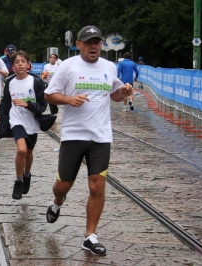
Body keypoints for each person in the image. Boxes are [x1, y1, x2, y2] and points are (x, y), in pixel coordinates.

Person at [44, 26, 133, 256]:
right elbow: (49, 94)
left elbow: (114, 95)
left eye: (97, 42)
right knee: (64, 185)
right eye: (88, 42)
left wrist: (123, 92)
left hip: (101, 136)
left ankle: (90, 236)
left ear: (101, 45)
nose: (93, 46)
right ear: (79, 45)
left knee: (97, 185)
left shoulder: (109, 66)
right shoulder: (67, 66)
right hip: (73, 135)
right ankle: (56, 202)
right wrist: (68, 99)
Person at [0, 50, 47, 200]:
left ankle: (27, 174)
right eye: (17, 62)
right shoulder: (9, 82)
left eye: (23, 61)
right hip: (15, 120)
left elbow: (42, 106)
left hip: (32, 122)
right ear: (13, 67)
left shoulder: (36, 82)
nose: (20, 64)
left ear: (28, 65)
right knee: (21, 150)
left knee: (28, 153)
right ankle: (18, 181)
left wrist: (27, 104)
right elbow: (5, 102)